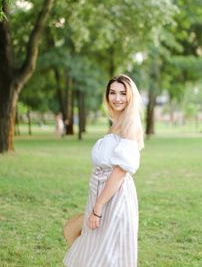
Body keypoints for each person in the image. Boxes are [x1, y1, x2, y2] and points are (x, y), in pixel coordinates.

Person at [63, 74, 144, 267]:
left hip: (115, 196)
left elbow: (119, 172)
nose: (117, 98)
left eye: (123, 93)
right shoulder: (115, 123)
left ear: (130, 96)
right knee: (93, 246)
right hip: (99, 191)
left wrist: (98, 208)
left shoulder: (130, 125)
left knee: (109, 252)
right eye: (113, 93)